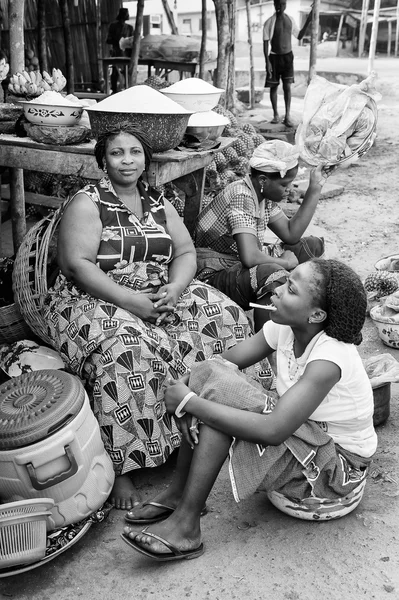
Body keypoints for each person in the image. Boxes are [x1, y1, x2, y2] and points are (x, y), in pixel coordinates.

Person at [43, 123, 274, 511]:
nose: (127, 160)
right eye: (117, 153)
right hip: (95, 295)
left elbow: (185, 253)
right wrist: (132, 302)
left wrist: (176, 289)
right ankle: (124, 468)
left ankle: (231, 417)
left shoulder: (156, 199)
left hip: (161, 289)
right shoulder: (88, 201)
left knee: (225, 316)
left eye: (135, 152)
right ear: (103, 160)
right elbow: (76, 265)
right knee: (126, 349)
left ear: (146, 159)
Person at [122, 258, 377, 561]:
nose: (278, 291)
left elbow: (273, 431)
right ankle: (179, 495)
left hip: (337, 467)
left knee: (216, 410)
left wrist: (191, 403)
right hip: (307, 436)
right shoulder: (283, 329)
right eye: (284, 282)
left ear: (317, 314)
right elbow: (220, 366)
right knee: (215, 382)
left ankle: (186, 525)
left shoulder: (329, 358)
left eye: (291, 290)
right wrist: (190, 388)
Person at [194, 140, 329, 331]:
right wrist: (286, 263)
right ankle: (266, 344)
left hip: (235, 264)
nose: (290, 190)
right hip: (212, 274)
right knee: (271, 273)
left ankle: (303, 306)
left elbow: (291, 234)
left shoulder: (262, 195)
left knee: (311, 246)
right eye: (284, 185)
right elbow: (250, 258)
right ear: (264, 180)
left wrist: (315, 188)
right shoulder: (242, 196)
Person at [263, 0, 313, 127]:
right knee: (273, 87)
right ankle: (275, 114)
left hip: (288, 58)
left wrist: (308, 20)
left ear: (285, 5)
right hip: (274, 58)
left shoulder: (290, 20)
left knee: (287, 87)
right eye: (278, 4)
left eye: (283, 4)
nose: (280, 6)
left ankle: (287, 116)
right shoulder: (269, 22)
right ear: (274, 5)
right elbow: (265, 43)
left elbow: (299, 36)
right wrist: (267, 62)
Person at [106, 7, 134, 94]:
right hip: (116, 53)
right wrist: (118, 40)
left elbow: (133, 41)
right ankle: (114, 90)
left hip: (126, 54)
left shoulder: (130, 28)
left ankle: (127, 90)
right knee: (115, 73)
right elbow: (108, 40)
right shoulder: (113, 26)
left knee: (127, 73)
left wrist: (127, 42)